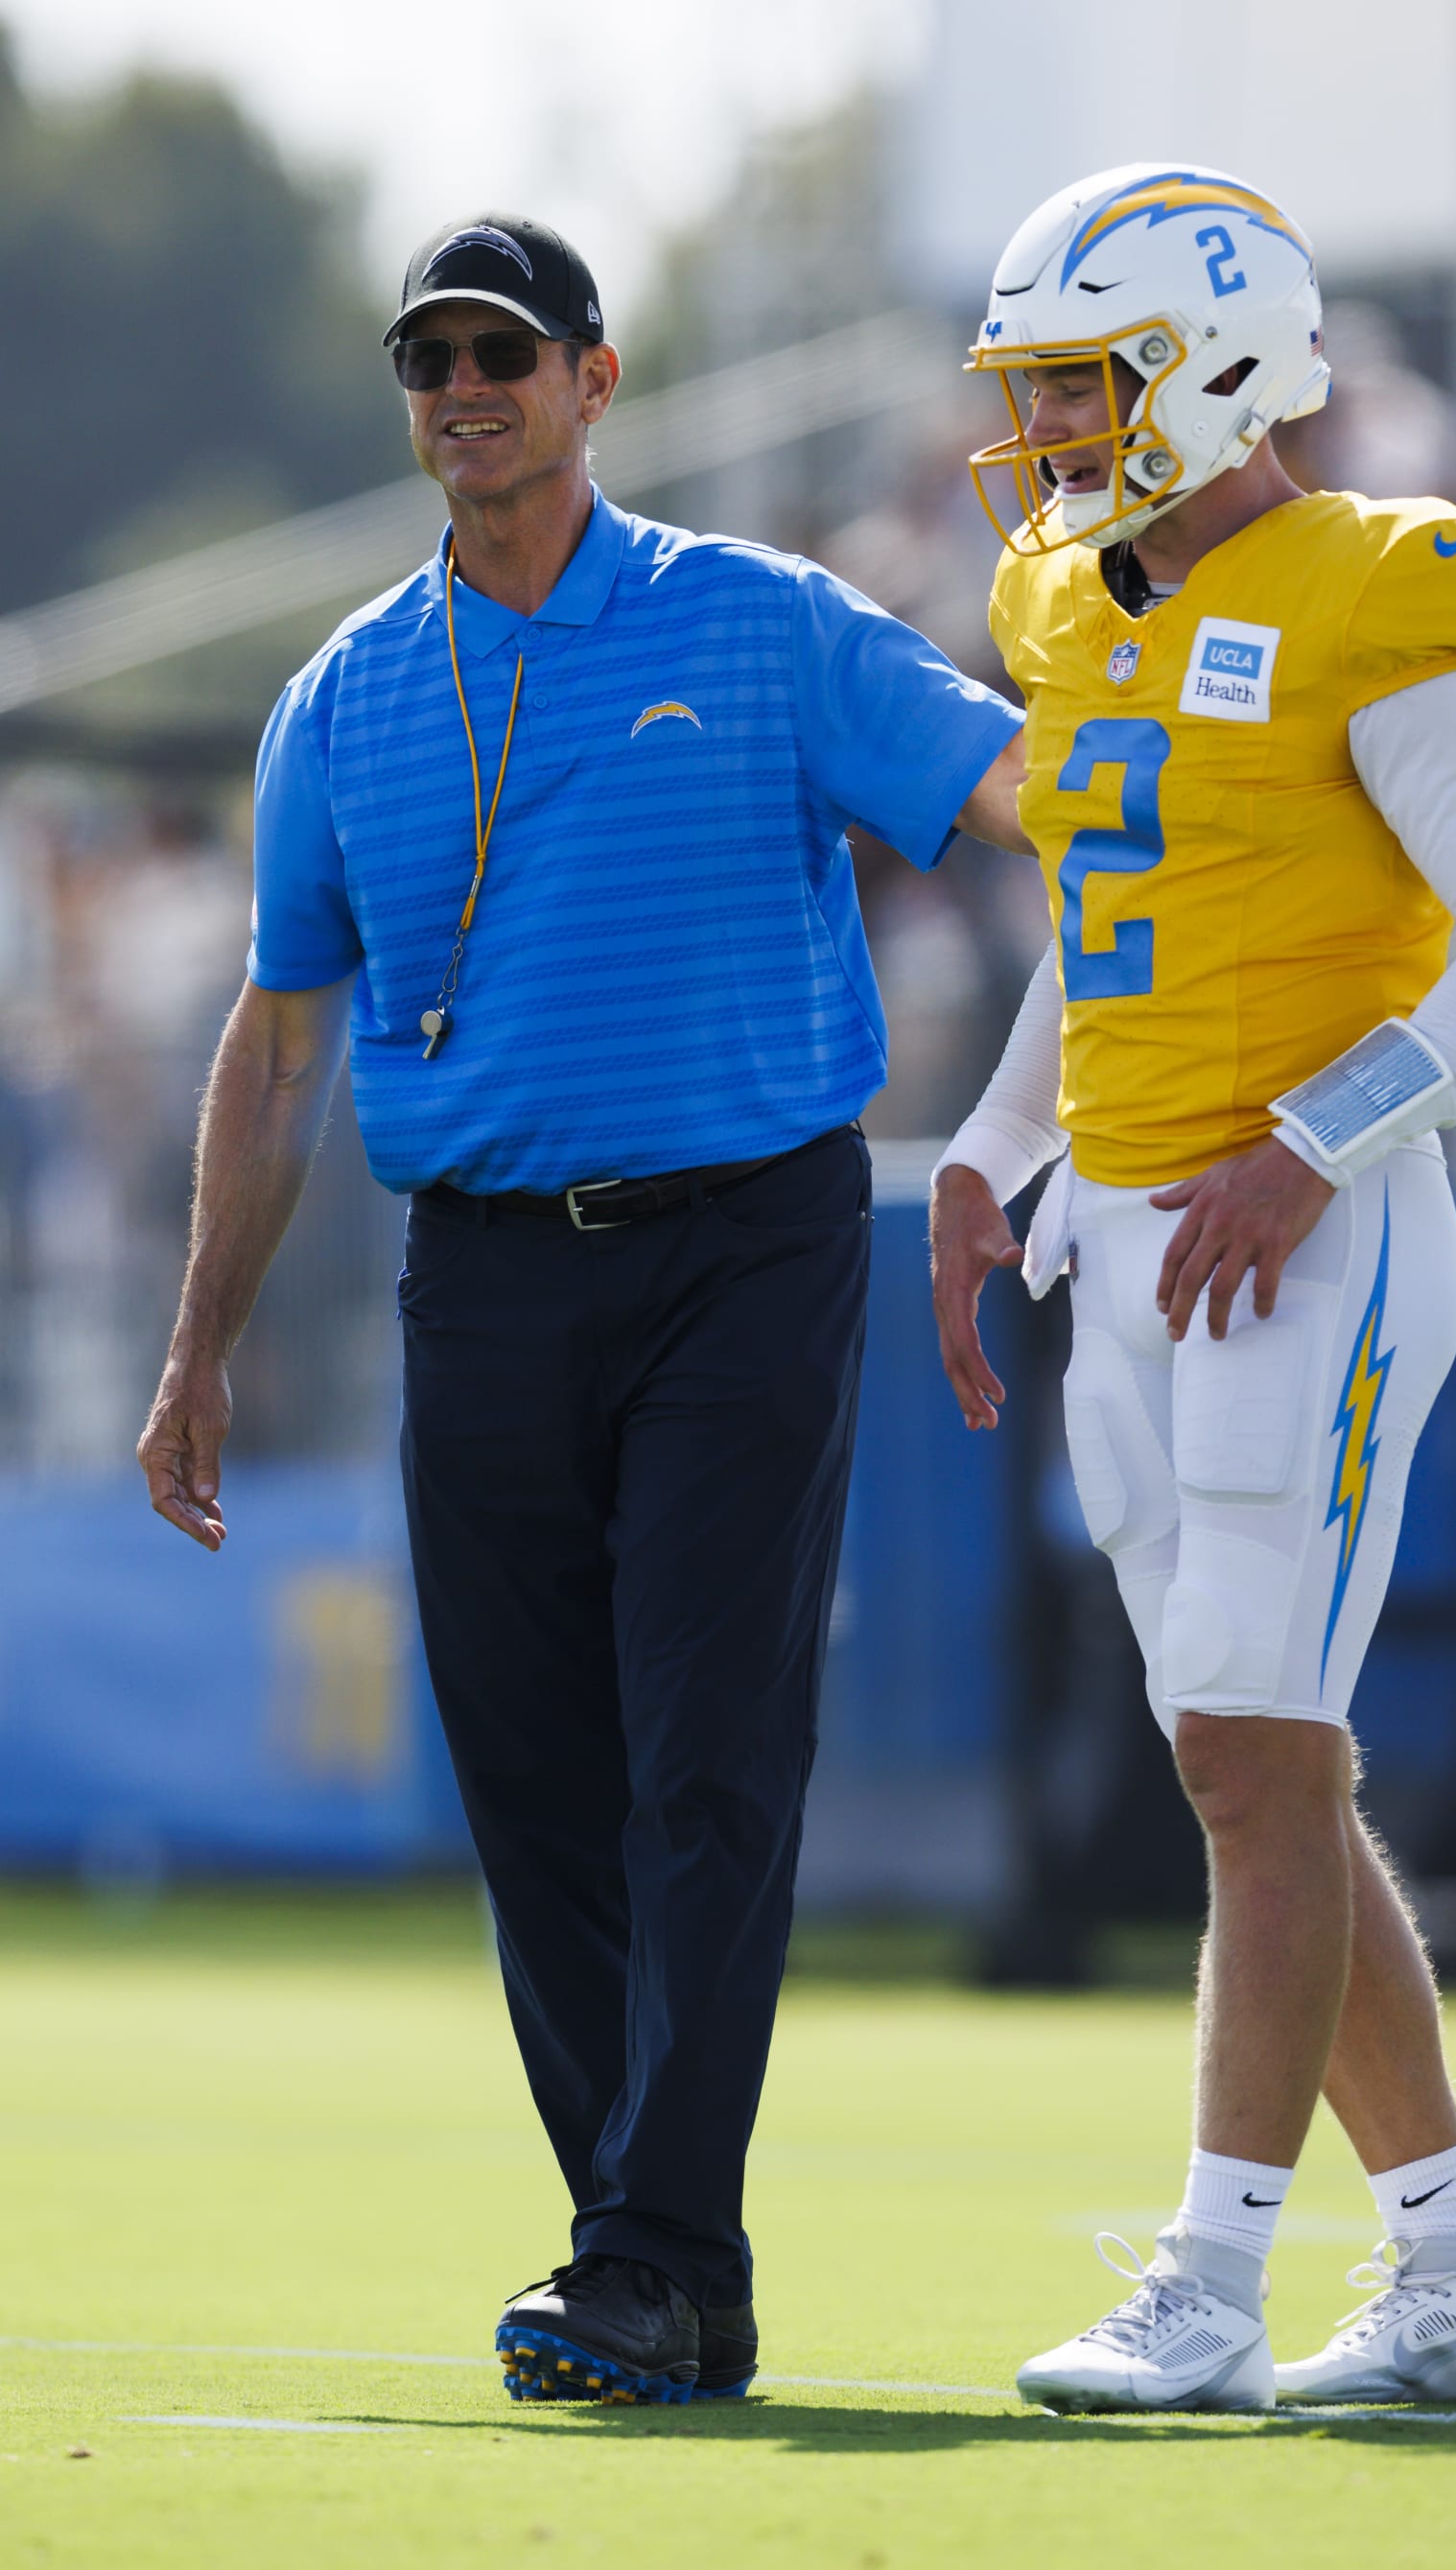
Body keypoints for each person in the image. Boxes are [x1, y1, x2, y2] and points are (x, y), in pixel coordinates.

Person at [137, 212, 1027, 2409]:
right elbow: (278, 1042)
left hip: (747, 1251)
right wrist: (197, 1341)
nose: (464, 388)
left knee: (708, 1757)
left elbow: (1018, 789)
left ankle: (637, 2252)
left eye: (504, 353)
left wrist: (1216, 810)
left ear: (595, 383)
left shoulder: (763, 621)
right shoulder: (341, 696)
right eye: (430, 358)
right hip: (485, 1278)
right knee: (534, 1778)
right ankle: (670, 2270)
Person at [929, 165, 1456, 2412]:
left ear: (1221, 366)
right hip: (1127, 1224)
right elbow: (1111, 925)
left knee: (1252, 1756)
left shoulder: (1378, 580)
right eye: (1031, 386)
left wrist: (1316, 1144)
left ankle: (1210, 2284)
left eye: (1081, 381)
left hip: (1308, 1233)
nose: (1043, 429)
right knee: (1253, 1763)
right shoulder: (1061, 593)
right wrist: (993, 1147)